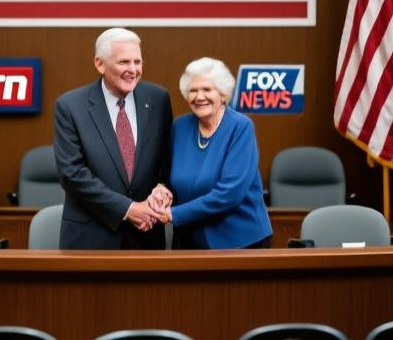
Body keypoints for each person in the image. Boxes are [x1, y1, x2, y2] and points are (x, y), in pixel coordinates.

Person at [53, 27, 173, 249]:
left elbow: (166, 161)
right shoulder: (70, 106)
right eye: (124, 62)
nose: (133, 70)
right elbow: (72, 174)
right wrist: (128, 209)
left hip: (146, 235)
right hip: (91, 237)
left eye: (138, 62)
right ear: (100, 63)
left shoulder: (158, 99)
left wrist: (163, 188)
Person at [150, 57, 272, 249]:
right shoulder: (179, 127)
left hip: (239, 242)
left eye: (207, 90)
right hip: (190, 242)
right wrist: (161, 190)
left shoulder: (240, 127)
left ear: (223, 94)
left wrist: (173, 214)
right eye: (193, 90)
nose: (199, 97)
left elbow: (230, 194)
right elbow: (169, 177)